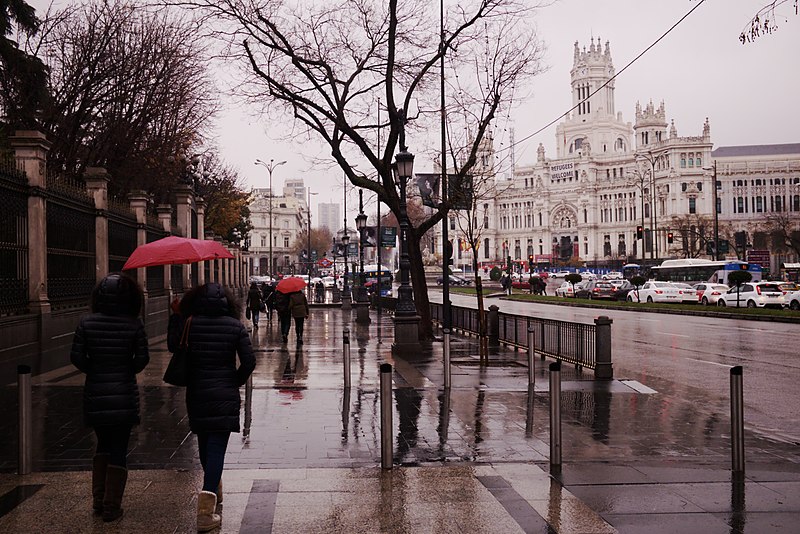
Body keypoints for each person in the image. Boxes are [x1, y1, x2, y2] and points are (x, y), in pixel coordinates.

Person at [168, 283, 255, 532]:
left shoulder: (189, 323)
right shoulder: (235, 326)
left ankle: (212, 488)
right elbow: (249, 361)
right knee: (216, 447)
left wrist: (176, 316)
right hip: (225, 392)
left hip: (197, 392)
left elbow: (174, 346)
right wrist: (234, 380)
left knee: (205, 445)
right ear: (227, 303)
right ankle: (206, 510)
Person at [70, 273, 149, 522]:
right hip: (124, 393)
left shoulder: (86, 323)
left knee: (102, 443)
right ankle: (112, 506)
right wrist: (126, 369)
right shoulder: (134, 324)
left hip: (96, 392)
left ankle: (98, 499)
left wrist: (95, 369)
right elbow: (142, 359)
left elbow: (76, 357)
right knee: (119, 447)